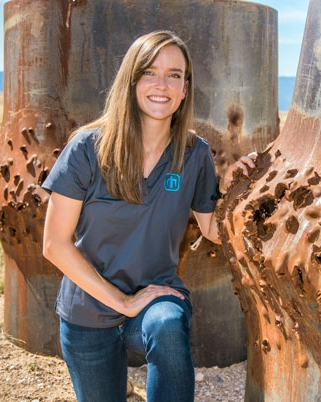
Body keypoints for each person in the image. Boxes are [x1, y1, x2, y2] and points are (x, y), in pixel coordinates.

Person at [42, 30, 256, 402]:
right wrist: (123, 302)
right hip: (88, 309)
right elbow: (54, 245)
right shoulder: (87, 148)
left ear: (185, 89)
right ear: (131, 80)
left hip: (155, 296)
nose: (162, 85)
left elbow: (213, 230)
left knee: (169, 325)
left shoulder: (194, 153)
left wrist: (238, 191)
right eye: (149, 72)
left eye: (174, 75)